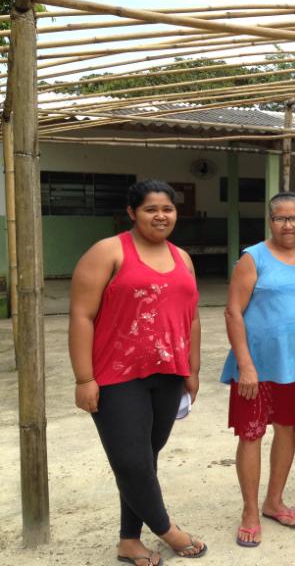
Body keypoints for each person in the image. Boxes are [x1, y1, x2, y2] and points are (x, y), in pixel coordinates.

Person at [69, 179, 207, 566]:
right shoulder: (107, 252)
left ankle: (129, 540)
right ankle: (168, 530)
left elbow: (192, 317)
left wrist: (192, 370)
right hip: (116, 375)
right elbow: (82, 315)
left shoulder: (183, 257)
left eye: (168, 209)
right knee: (130, 461)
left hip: (168, 372)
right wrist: (84, 378)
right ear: (132, 213)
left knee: (145, 459)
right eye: (150, 209)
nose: (160, 216)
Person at [221, 191, 295, 547]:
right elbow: (233, 312)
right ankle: (249, 510)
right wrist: (246, 365)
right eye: (280, 218)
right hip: (256, 366)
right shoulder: (253, 258)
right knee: (251, 433)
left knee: (287, 429)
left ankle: (273, 501)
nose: (288, 224)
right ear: (270, 221)